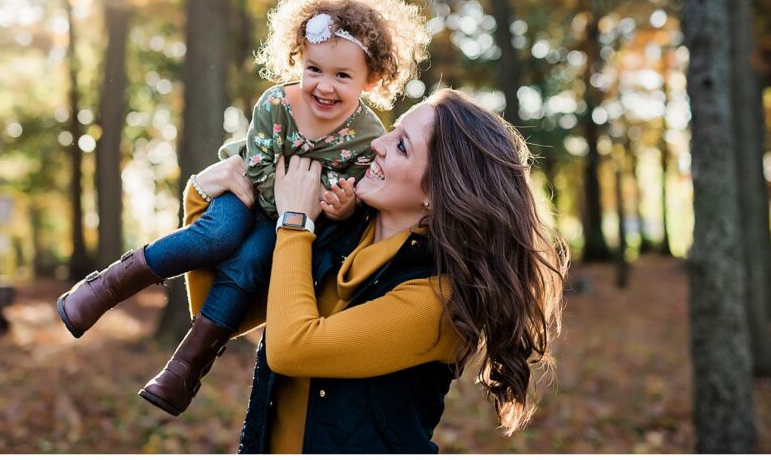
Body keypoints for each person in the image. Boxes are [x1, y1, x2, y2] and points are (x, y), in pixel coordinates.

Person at [55, 0, 430, 416]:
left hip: (292, 217)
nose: (324, 85)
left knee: (249, 265)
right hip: (252, 192)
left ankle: (185, 369)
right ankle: (106, 287)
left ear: (370, 80)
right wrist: (296, 200)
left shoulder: (368, 136)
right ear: (298, 61)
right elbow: (256, 166)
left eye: (342, 76)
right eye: (313, 69)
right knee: (216, 237)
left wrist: (342, 205)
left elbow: (350, 193)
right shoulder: (276, 104)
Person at [181, 89, 569, 453]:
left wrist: (295, 222)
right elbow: (216, 316)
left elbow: (291, 350)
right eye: (393, 131)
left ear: (438, 191)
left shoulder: (437, 299)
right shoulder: (342, 226)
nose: (377, 144)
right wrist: (200, 199)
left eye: (401, 145)